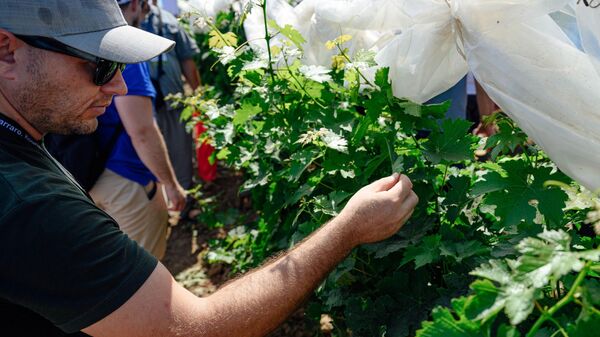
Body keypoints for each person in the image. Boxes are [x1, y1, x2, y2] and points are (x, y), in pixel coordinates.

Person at [0, 1, 418, 336]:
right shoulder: (30, 204)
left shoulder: (21, 146)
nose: (120, 86)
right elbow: (195, 329)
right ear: (6, 51)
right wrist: (348, 229)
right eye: (100, 65)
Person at [88, 0, 186, 260]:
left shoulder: (77, 41)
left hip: (84, 176)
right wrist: (172, 186)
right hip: (127, 180)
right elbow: (142, 131)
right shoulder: (122, 47)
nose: (145, 14)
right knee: (141, 274)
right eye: (144, 8)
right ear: (133, 5)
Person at [141, 0, 213, 192]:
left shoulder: (168, 21)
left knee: (180, 153)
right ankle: (163, 200)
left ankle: (184, 199)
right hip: (141, 108)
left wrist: (198, 96)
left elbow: (187, 60)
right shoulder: (124, 23)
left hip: (173, 103)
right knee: (149, 155)